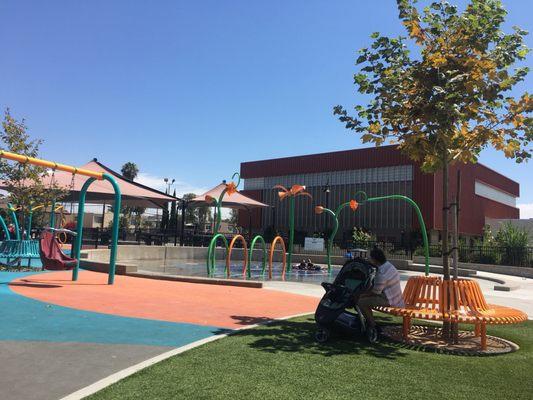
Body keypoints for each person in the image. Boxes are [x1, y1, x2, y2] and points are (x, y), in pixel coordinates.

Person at [357, 248, 404, 330]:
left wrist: (362, 295)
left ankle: (372, 325)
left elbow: (376, 292)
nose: (369, 259)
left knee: (361, 302)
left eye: (370, 258)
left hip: (389, 300)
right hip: (396, 298)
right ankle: (369, 321)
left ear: (375, 260)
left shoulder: (381, 273)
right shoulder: (388, 265)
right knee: (363, 298)